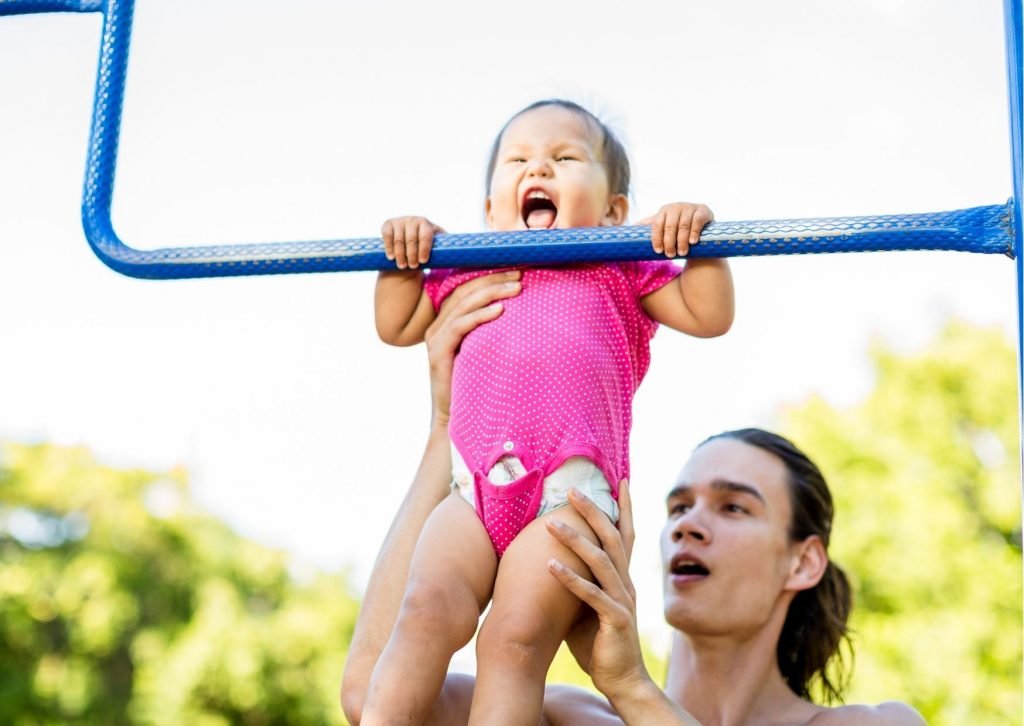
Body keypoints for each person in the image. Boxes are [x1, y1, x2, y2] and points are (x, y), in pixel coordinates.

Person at [342, 273, 926, 725]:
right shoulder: (571, 715)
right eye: (678, 507)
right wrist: (447, 428)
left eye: (734, 507)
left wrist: (632, 688)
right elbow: (370, 692)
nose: (688, 526)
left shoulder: (874, 722)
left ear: (803, 560)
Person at [362, 99, 735, 725]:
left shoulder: (619, 262)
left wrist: (701, 244)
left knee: (512, 642)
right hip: (470, 489)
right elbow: (395, 324)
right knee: (425, 607)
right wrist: (400, 257)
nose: (538, 167)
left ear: (615, 210)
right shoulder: (469, 264)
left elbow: (709, 315)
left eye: (564, 158)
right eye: (517, 160)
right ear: (489, 210)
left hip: (572, 496)